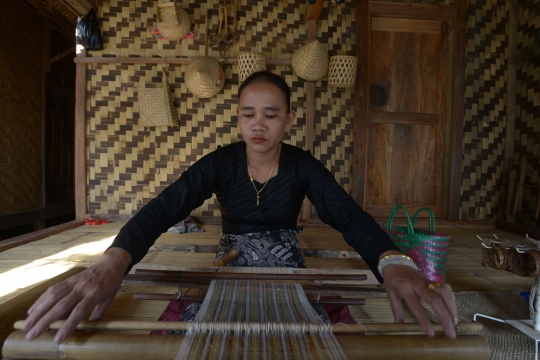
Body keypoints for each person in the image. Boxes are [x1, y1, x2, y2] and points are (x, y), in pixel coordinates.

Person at [22, 71, 457, 344]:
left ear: (288, 120)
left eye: (270, 114)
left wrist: (393, 261)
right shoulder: (222, 162)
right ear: (238, 118)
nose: (258, 124)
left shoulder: (303, 166)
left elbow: (347, 215)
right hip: (229, 257)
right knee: (194, 327)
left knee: (311, 330)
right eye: (248, 113)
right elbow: (164, 207)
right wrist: (113, 262)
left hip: (288, 257)